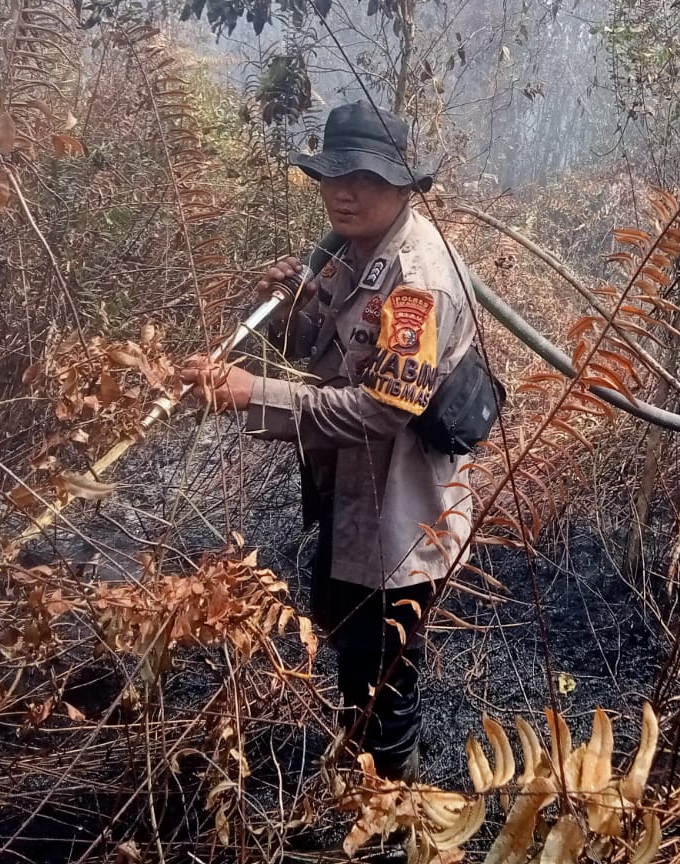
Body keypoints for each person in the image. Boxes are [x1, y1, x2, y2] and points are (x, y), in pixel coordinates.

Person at [180, 101, 479, 782]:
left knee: (384, 680)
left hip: (402, 515)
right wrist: (288, 313)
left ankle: (387, 817)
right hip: (348, 498)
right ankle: (357, 779)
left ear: (404, 186)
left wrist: (251, 392)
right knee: (349, 648)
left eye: (366, 178)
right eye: (333, 175)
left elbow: (380, 412)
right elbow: (317, 356)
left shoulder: (417, 282)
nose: (344, 191)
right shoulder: (353, 252)